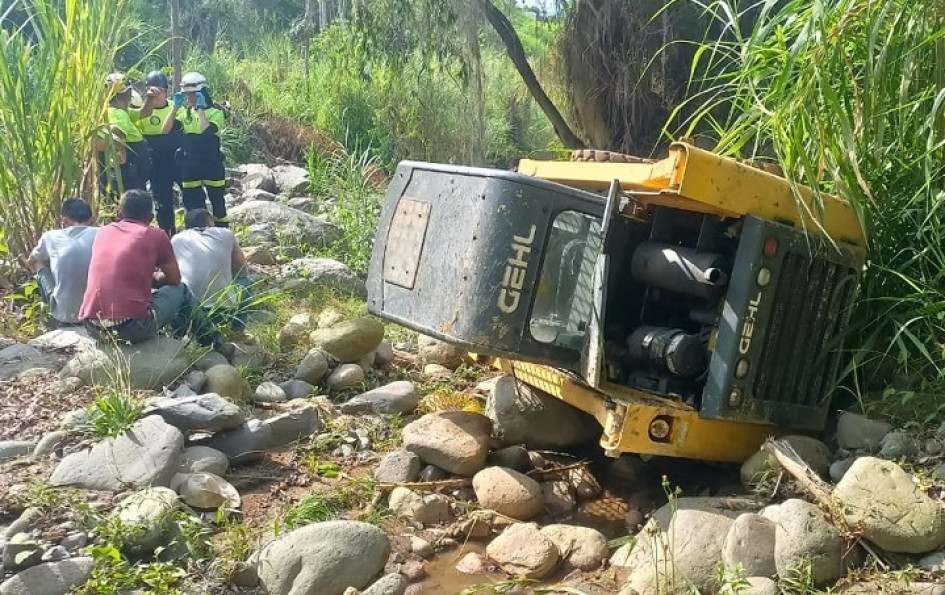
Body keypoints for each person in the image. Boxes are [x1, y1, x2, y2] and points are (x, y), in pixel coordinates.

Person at [80, 189, 232, 359]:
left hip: (93, 326)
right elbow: (175, 279)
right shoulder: (156, 235)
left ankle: (179, 337)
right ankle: (214, 343)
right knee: (181, 291)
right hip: (132, 327)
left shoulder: (102, 232)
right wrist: (155, 278)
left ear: (119, 213)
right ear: (151, 218)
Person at [163, 71, 229, 227]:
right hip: (190, 165)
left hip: (211, 164)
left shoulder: (216, 113)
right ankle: (197, 234)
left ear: (202, 94)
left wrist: (200, 109)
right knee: (192, 205)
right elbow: (165, 130)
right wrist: (175, 108)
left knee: (217, 203)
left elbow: (206, 130)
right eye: (187, 95)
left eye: (192, 95)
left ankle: (223, 234)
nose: (189, 98)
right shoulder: (185, 113)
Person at [171, 208, 252, 332]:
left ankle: (180, 332)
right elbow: (242, 270)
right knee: (245, 281)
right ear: (209, 223)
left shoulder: (176, 239)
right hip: (222, 313)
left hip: (189, 312)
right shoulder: (226, 234)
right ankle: (238, 329)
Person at [26, 198, 98, 329]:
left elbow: (31, 261)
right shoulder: (102, 233)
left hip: (66, 314)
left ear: (64, 220)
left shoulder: (50, 236)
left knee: (39, 267)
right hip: (98, 313)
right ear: (92, 219)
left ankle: (51, 317)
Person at [135, 70, 182, 236]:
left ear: (165, 91)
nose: (155, 95)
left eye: (159, 91)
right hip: (156, 163)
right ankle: (167, 236)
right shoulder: (141, 111)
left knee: (192, 198)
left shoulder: (176, 107)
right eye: (151, 91)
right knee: (162, 204)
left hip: (177, 160)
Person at [99, 73, 151, 200]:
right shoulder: (119, 114)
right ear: (127, 93)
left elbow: (145, 112)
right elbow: (116, 132)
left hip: (123, 174)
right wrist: (121, 150)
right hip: (129, 174)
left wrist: (150, 99)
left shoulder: (117, 112)